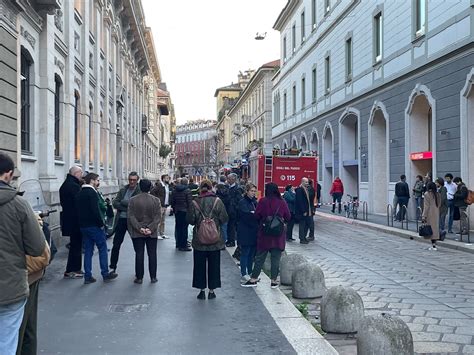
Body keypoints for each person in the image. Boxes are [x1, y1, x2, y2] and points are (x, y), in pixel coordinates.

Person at [0, 153, 47, 355]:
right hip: (10, 288)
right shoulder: (19, 205)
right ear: (8, 174)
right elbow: (37, 248)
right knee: (7, 342)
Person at [242, 183, 290, 289]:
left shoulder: (263, 201)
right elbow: (288, 216)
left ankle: (254, 278)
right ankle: (273, 281)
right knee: (276, 258)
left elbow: (257, 215)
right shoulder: (282, 202)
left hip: (265, 234)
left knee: (260, 257)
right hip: (278, 235)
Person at [187, 180, 228, 299]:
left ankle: (201, 290)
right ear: (211, 188)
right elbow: (224, 218)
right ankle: (212, 291)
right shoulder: (218, 201)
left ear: (200, 188)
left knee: (199, 265)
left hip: (199, 240)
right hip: (215, 240)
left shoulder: (195, 202)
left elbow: (190, 220)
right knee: (214, 265)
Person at [17, 214, 50, 355]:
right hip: (27, 277)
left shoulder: (20, 208)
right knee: (25, 329)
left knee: (20, 330)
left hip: (22, 278)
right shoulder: (21, 207)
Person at [76, 173, 118, 284]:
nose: (98, 182)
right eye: (97, 180)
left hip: (84, 226)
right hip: (94, 226)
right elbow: (95, 211)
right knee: (102, 248)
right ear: (92, 180)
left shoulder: (80, 192)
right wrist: (100, 224)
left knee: (88, 251)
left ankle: (88, 276)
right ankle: (105, 273)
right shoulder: (92, 193)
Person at [127, 179, 162, 284]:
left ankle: (139, 277)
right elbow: (157, 217)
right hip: (152, 232)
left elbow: (131, 216)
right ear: (150, 187)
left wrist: (139, 228)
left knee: (139, 254)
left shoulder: (133, 200)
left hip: (138, 232)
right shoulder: (156, 200)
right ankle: (153, 276)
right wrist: (150, 228)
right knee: (152, 254)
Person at [110, 172, 141, 272]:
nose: (132, 182)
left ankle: (138, 272)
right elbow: (115, 203)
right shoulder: (123, 189)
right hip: (121, 220)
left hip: (133, 221)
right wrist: (127, 206)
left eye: (134, 180)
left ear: (137, 181)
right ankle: (113, 267)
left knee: (137, 246)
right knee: (116, 244)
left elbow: (137, 205)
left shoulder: (139, 191)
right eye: (130, 179)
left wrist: (123, 203)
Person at [59, 166, 84, 279]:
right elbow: (79, 203)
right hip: (75, 220)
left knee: (75, 245)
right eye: (80, 173)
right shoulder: (73, 186)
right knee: (76, 246)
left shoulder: (66, 184)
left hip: (70, 219)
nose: (82, 175)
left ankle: (73, 269)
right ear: (76, 173)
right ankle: (73, 270)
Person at [237, 183, 258, 284]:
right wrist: (253, 214)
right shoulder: (242, 202)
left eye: (254, 191)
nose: (253, 193)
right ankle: (243, 273)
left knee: (251, 254)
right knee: (245, 252)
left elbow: (258, 215)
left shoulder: (254, 202)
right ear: (247, 191)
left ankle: (250, 272)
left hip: (254, 231)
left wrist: (253, 214)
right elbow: (246, 216)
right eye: (251, 191)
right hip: (245, 231)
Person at [170, 177, 193, 251]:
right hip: (185, 211)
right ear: (187, 183)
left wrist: (174, 209)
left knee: (178, 227)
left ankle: (178, 243)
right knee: (184, 228)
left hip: (177, 211)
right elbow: (189, 202)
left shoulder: (174, 190)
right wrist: (191, 211)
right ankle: (183, 245)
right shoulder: (187, 191)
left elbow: (172, 201)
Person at [150, 174, 171, 240]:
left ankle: (162, 233)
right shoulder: (159, 185)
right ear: (163, 179)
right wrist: (157, 200)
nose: (168, 179)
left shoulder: (167, 186)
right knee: (158, 220)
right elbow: (152, 192)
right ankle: (156, 234)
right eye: (167, 178)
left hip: (165, 205)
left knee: (163, 221)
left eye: (168, 178)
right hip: (160, 205)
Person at [422, 182, 441, 251]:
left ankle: (433, 245)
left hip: (429, 212)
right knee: (435, 228)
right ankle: (434, 245)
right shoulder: (437, 194)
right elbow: (439, 204)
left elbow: (426, 206)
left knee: (430, 229)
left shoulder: (427, 194)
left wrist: (424, 215)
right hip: (436, 212)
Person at [226, 173, 243, 247]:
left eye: (229, 179)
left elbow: (238, 199)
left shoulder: (237, 188)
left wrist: (233, 205)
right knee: (229, 226)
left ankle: (232, 241)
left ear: (233, 179)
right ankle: (230, 240)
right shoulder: (229, 187)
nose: (228, 180)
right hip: (229, 210)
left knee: (232, 226)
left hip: (233, 211)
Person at [295, 178, 312, 244]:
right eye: (305, 182)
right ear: (302, 182)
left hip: (307, 210)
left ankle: (304, 237)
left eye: (307, 182)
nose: (307, 184)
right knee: (302, 224)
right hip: (303, 211)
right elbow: (300, 201)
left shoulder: (306, 189)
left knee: (307, 224)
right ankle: (302, 238)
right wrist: (303, 211)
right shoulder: (300, 190)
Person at [215, 175, 230, 243]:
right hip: (226, 208)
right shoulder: (227, 187)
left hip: (218, 208)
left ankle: (218, 239)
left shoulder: (217, 188)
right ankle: (224, 240)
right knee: (224, 225)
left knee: (218, 225)